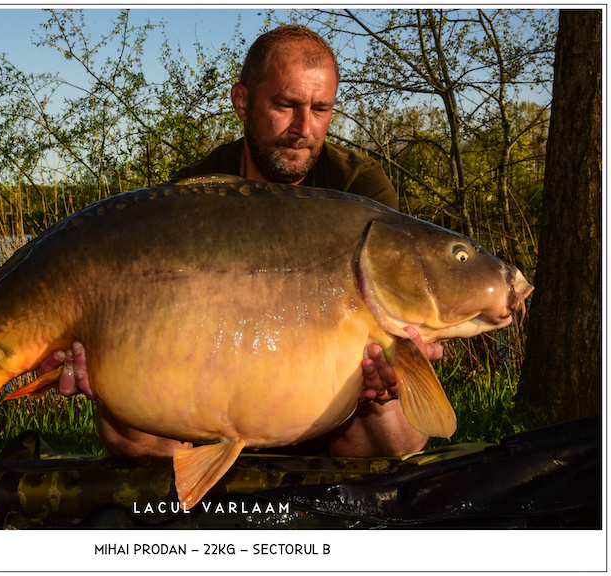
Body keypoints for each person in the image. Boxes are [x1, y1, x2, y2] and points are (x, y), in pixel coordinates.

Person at [37, 25, 442, 460]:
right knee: (125, 433)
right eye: (285, 105)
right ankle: (198, 505)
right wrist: (104, 361)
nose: (304, 128)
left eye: (321, 109)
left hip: (324, 403)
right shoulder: (193, 198)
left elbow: (403, 303)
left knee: (398, 436)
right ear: (242, 101)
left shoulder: (359, 190)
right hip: (212, 388)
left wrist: (403, 357)